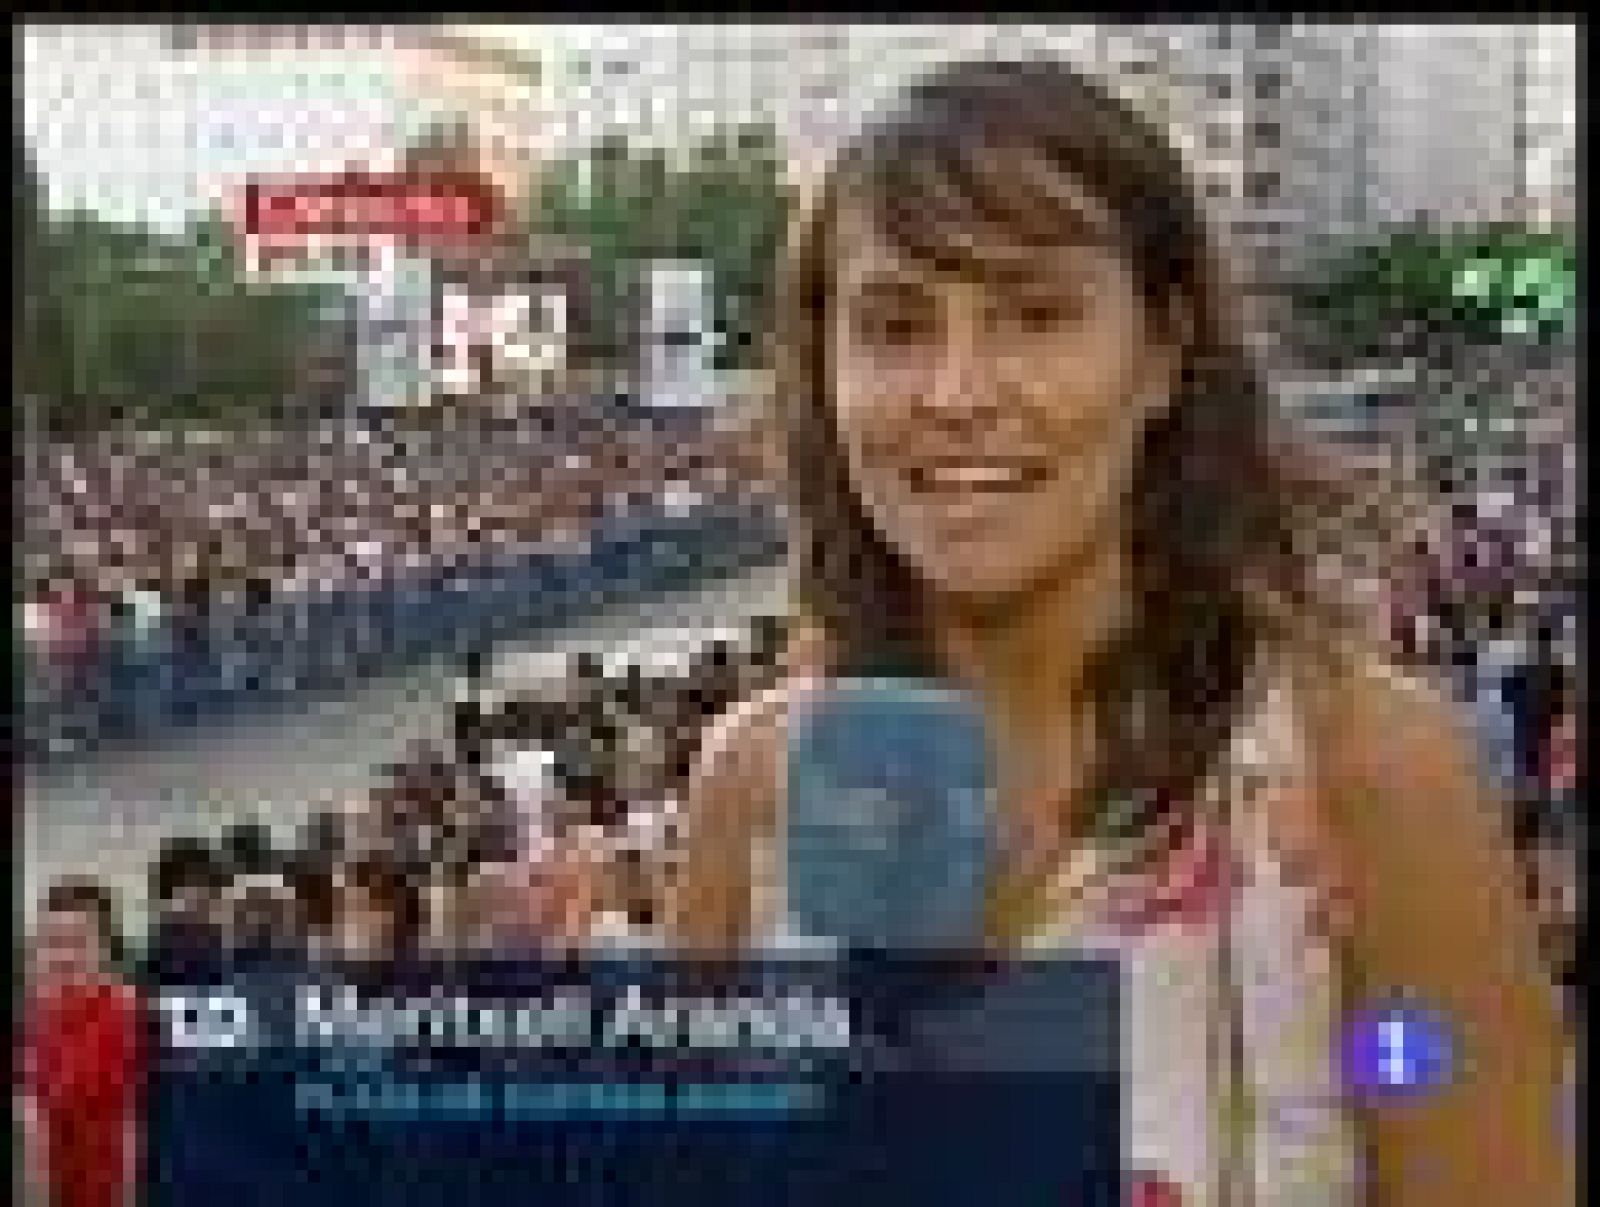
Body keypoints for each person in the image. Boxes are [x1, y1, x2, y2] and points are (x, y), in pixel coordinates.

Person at [652, 57, 1570, 1205]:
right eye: (894, 326)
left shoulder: (1367, 776)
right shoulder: (754, 788)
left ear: (1163, 351)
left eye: (1036, 315)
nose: (956, 389)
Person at [20, 881, 144, 1207]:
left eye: (78, 943)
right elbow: (38, 1123)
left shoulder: (133, 1017)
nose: (63, 956)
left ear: (105, 948)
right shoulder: (38, 1019)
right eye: (52, 943)